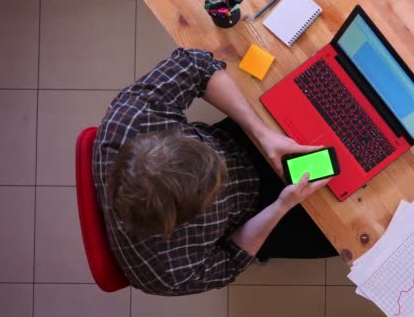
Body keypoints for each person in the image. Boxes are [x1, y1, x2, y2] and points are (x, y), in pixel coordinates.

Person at [93, 48, 337, 296]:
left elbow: (197, 65)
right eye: (216, 186)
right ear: (190, 216)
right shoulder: (168, 274)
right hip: (255, 211)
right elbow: (229, 260)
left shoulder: (130, 119)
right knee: (346, 237)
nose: (223, 169)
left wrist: (261, 134)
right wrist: (281, 206)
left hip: (244, 140)